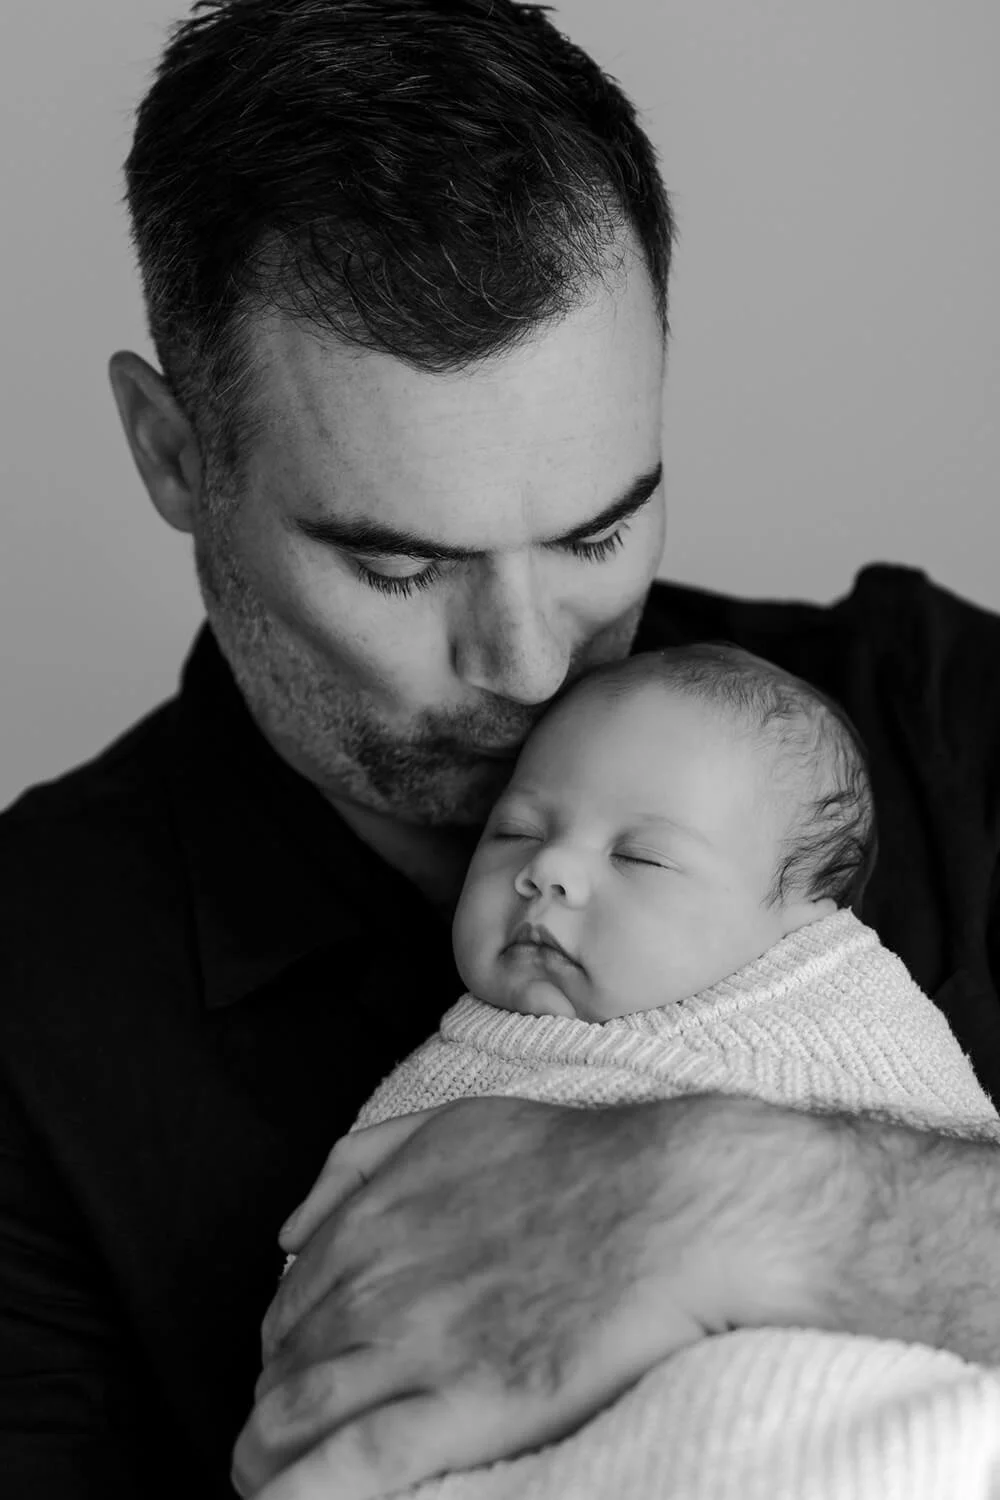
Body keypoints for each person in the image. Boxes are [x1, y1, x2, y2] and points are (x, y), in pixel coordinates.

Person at [1, 1, 1000, 1497]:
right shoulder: (29, 1008)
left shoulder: (925, 708)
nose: (534, 662)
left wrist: (760, 1206)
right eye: (400, 567)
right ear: (171, 453)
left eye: (599, 529)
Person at [234, 644, 1000, 1498]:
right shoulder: (472, 1034)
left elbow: (934, 1161)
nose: (546, 871)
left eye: (640, 859)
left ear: (805, 920)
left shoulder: (823, 1007)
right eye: (516, 831)